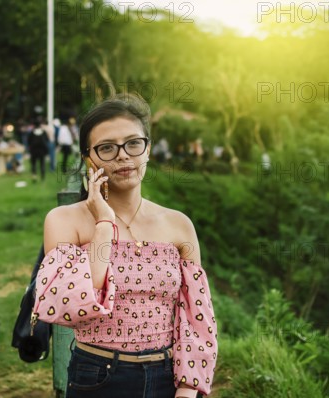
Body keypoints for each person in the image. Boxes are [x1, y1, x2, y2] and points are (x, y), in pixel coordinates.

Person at [32, 94, 218, 398]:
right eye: (107, 147)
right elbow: (75, 305)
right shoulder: (64, 220)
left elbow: (196, 318)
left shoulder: (178, 224)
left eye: (133, 143)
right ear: (87, 158)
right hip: (98, 376)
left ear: (147, 149)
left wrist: (187, 388)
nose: (123, 156)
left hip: (166, 377)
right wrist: (104, 224)